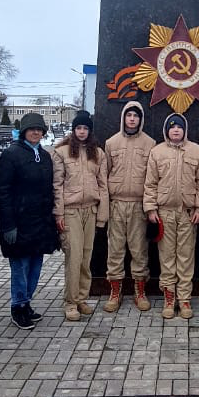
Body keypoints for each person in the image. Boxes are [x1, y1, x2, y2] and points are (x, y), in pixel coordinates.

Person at [0, 112, 60, 330]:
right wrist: (8, 224)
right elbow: (2, 191)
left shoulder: (44, 155)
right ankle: (18, 306)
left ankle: (26, 302)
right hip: (19, 222)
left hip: (40, 222)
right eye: (32, 129)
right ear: (23, 131)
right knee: (20, 267)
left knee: (35, 266)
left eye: (39, 129)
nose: (36, 132)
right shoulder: (11, 155)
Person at [142, 113, 199, 319]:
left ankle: (184, 299)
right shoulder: (157, 152)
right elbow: (150, 183)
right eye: (172, 127)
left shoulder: (195, 151)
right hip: (164, 213)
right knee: (167, 257)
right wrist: (151, 209)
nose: (176, 130)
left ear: (185, 130)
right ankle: (169, 298)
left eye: (179, 127)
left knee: (186, 257)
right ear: (167, 130)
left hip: (187, 214)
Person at [52, 110, 109, 321]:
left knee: (86, 257)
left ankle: (82, 298)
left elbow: (103, 186)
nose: (82, 131)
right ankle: (70, 302)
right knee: (73, 257)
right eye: (78, 128)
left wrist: (102, 216)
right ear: (73, 130)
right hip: (71, 211)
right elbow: (57, 186)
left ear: (90, 131)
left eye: (85, 128)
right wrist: (58, 213)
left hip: (90, 211)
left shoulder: (99, 154)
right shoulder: (62, 152)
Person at [104, 101, 155, 312]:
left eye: (136, 116)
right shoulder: (111, 143)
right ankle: (115, 292)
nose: (132, 119)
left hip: (138, 206)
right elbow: (104, 174)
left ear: (141, 119)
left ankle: (139, 291)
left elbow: (153, 177)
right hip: (117, 205)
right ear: (123, 117)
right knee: (115, 250)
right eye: (129, 115)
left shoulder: (150, 144)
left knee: (139, 250)